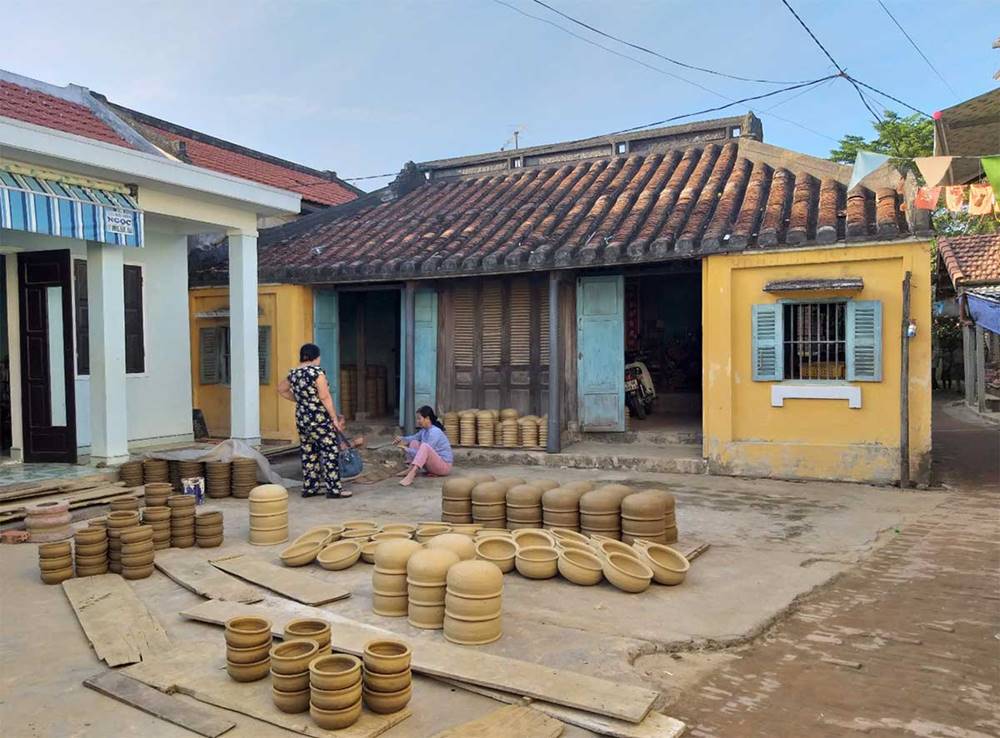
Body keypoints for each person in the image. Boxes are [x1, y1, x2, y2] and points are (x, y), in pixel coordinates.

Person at [277, 343, 350, 499]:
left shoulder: (294, 373)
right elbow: (324, 397)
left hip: (302, 417)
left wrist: (300, 400)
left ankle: (310, 488)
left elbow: (281, 389)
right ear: (315, 357)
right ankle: (334, 489)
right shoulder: (317, 373)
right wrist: (334, 418)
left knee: (309, 452)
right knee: (330, 451)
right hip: (319, 418)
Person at [393, 406, 453, 487]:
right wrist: (401, 439)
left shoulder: (435, 432)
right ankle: (410, 469)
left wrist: (407, 449)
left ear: (427, 418)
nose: (418, 421)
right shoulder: (424, 430)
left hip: (444, 467)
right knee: (414, 442)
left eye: (419, 418)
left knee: (424, 446)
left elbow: (424, 452)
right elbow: (413, 438)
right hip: (433, 465)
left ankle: (412, 473)